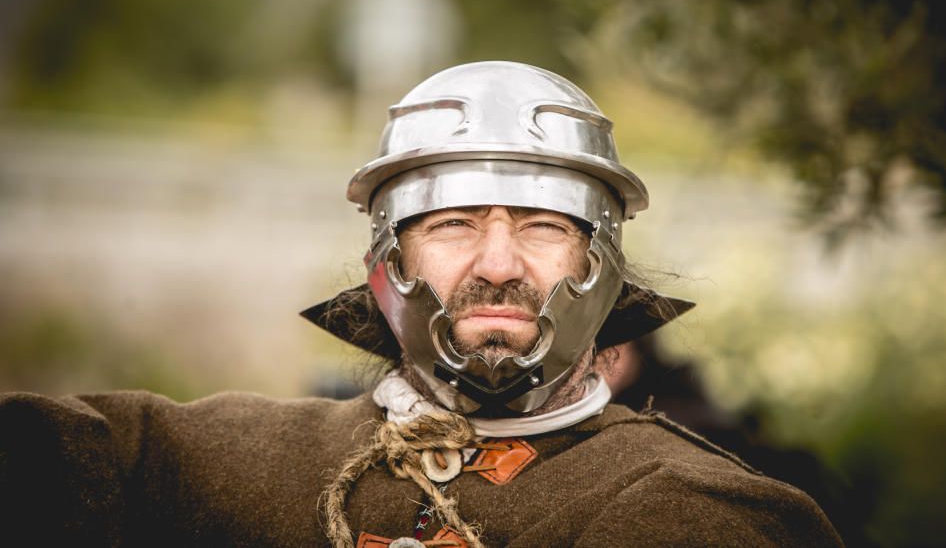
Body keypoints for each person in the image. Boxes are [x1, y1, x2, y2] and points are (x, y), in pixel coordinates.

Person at [0, 61, 844, 547]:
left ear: (607, 266)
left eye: (546, 226)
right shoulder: (224, 461)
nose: (499, 262)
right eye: (454, 223)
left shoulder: (692, 506)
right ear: (386, 259)